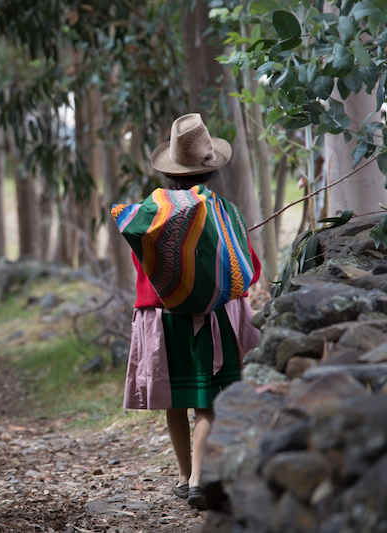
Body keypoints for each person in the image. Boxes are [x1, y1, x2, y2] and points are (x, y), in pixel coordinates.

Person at [111, 114, 261, 510]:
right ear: (210, 171)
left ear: (170, 170)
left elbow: (144, 266)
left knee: (175, 400)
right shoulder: (223, 211)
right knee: (207, 401)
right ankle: (198, 479)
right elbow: (248, 269)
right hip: (213, 318)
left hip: (160, 321)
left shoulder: (150, 212)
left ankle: (182, 475)